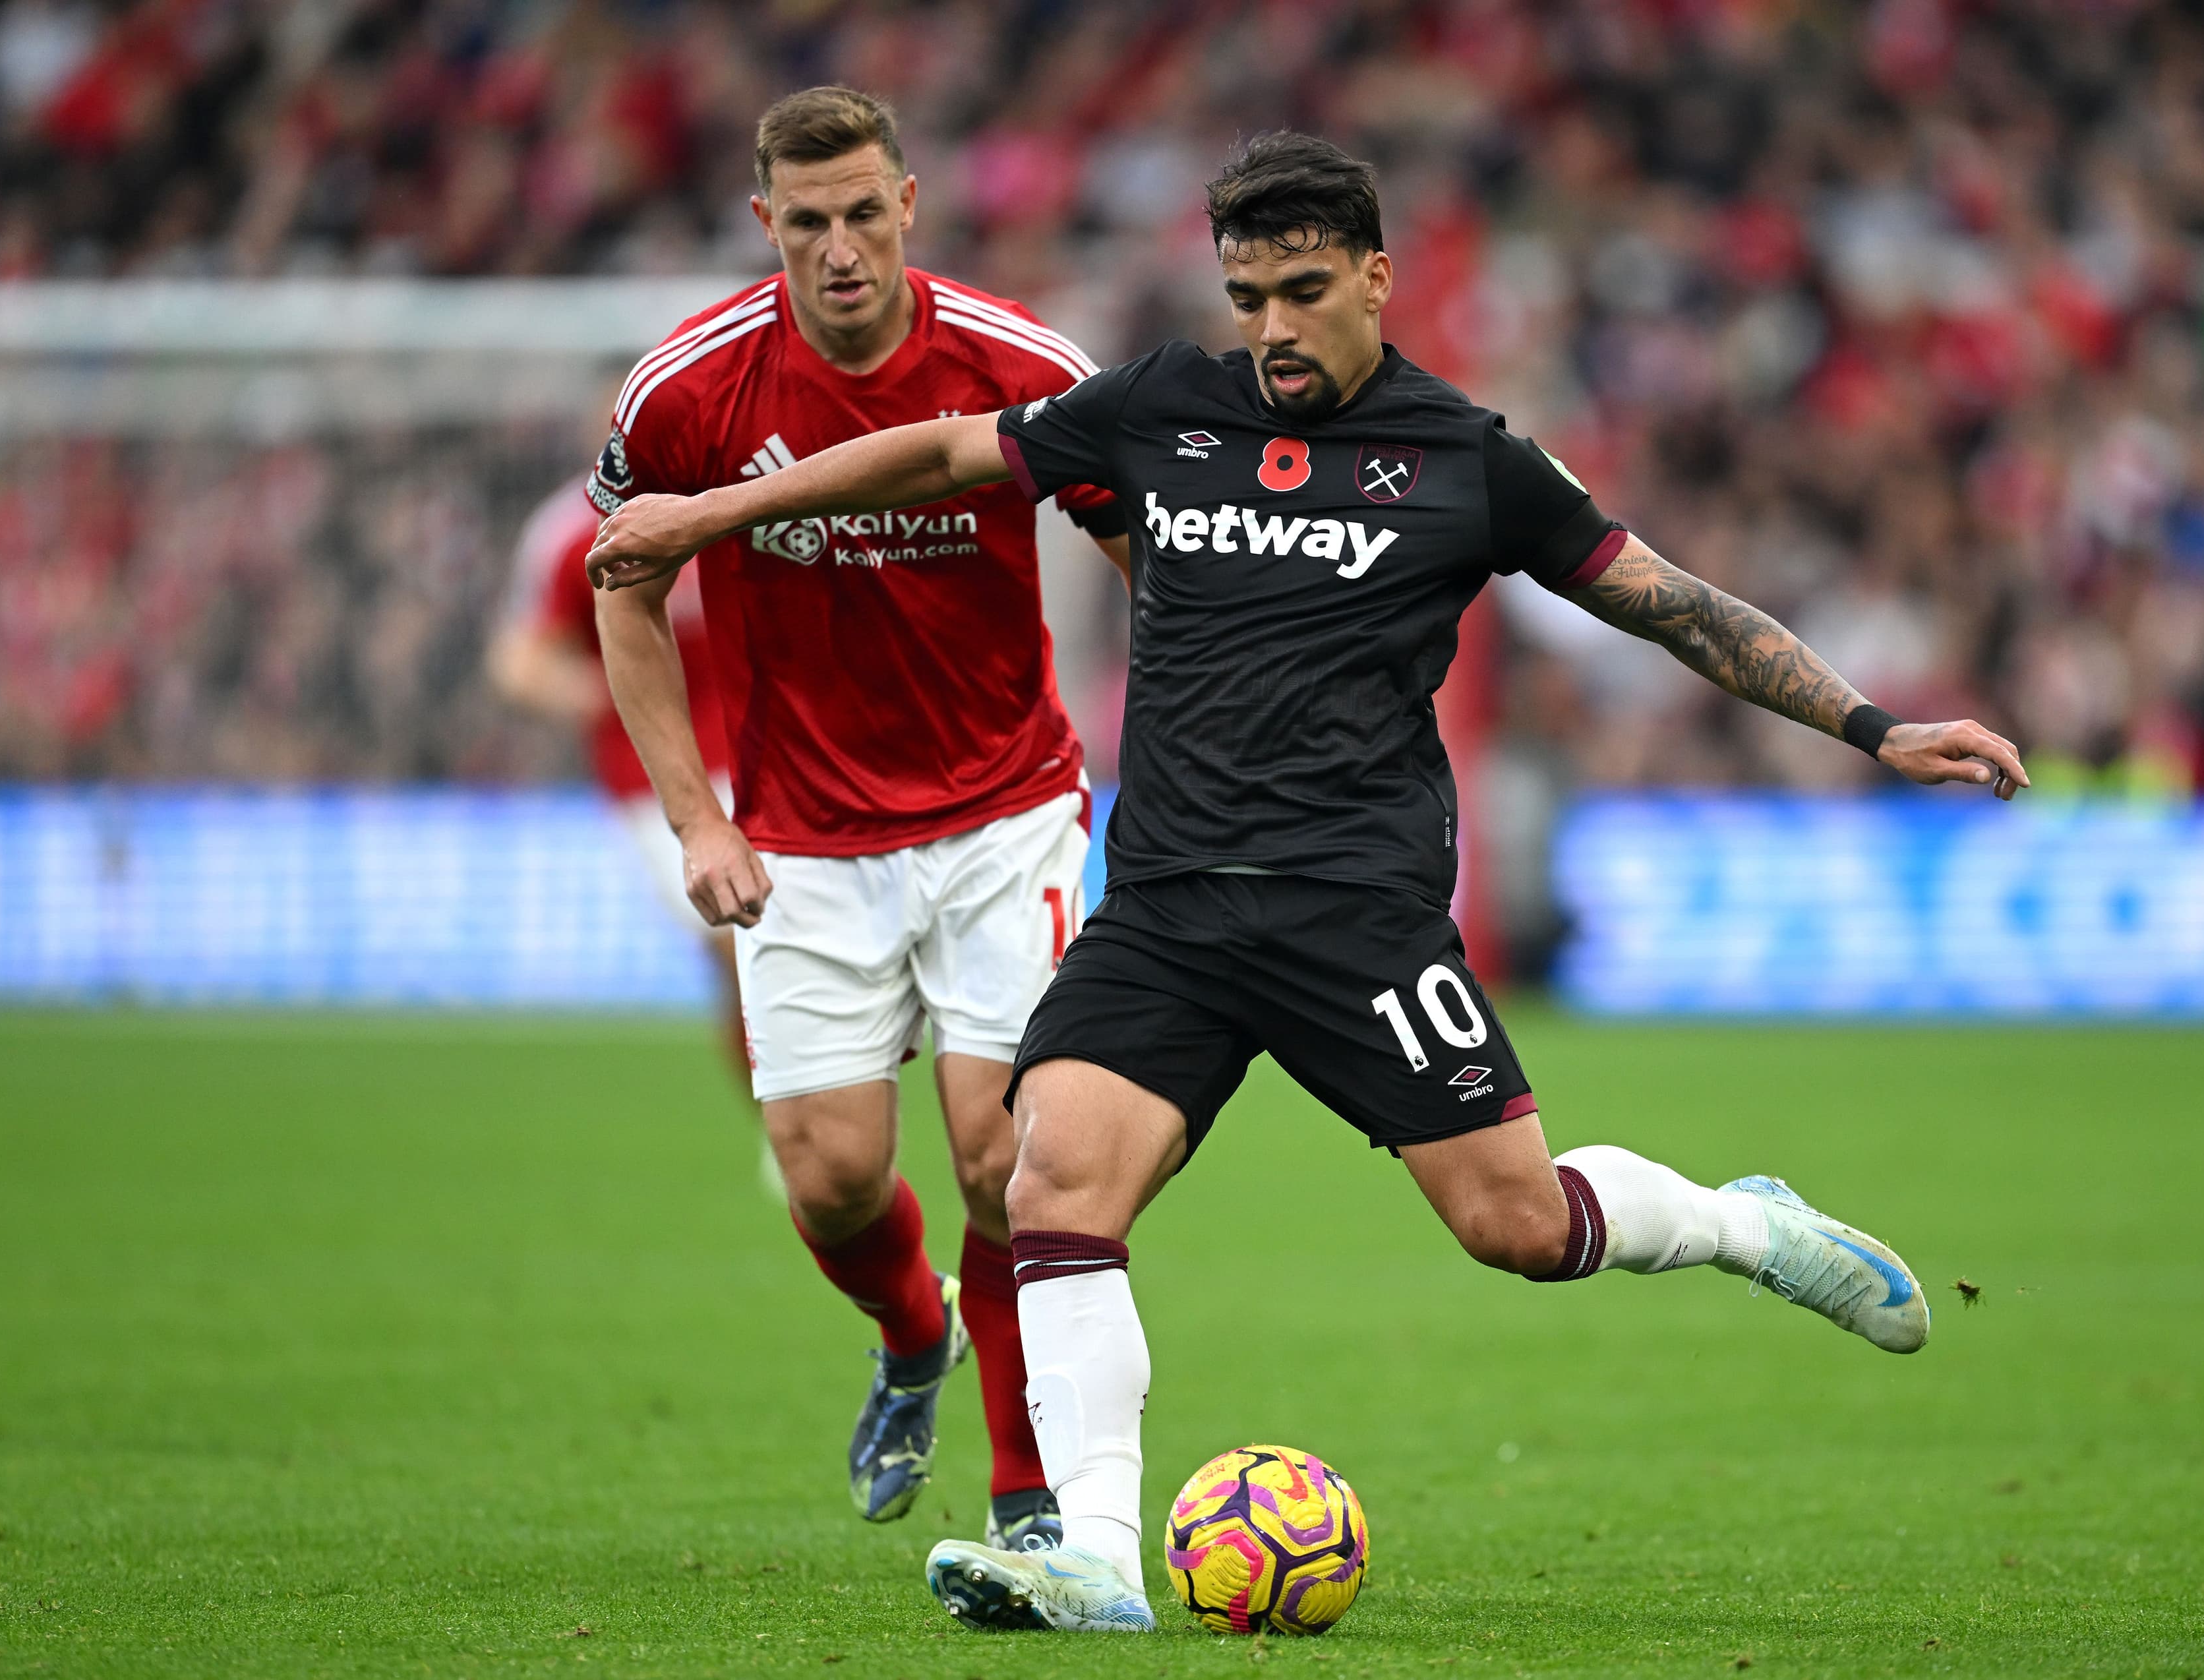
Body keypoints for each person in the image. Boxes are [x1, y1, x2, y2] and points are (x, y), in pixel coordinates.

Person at [587, 131, 2029, 1634]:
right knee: (1051, 1182)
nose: (1271, 327)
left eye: (1303, 291)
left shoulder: (1468, 459)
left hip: (1357, 915)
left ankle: (1743, 1224)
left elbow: (1671, 604)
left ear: (1375, 279)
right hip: (1166, 909)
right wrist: (708, 515)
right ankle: (1092, 1551)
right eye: (1247, 297)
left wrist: (1873, 725)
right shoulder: (1160, 406)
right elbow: (947, 450)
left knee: (1518, 1227)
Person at [585, 85, 1134, 1552]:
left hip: (1006, 807)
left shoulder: (1022, 364)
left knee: (1005, 1157)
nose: (841, 249)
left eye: (864, 215)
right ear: (766, 222)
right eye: (808, 222)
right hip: (802, 830)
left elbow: (1147, 544)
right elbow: (625, 593)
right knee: (831, 1180)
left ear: (910, 206)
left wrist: (1187, 745)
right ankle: (911, 1331)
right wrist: (699, 821)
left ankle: (1027, 1497)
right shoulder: (686, 391)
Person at [487, 477, 748, 1075]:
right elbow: (519, 662)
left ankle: (808, 1112)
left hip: (761, 754)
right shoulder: (568, 533)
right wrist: (620, 688)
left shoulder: (734, 494)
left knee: (779, 949)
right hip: (653, 781)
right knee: (738, 945)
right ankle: (786, 1112)